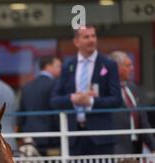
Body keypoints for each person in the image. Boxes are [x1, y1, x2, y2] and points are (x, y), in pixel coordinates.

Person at [50, 25, 122, 156]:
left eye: (93, 36)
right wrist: (73, 98)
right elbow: (54, 100)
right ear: (76, 42)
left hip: (101, 138)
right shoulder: (67, 66)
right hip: (73, 137)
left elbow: (117, 99)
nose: (91, 40)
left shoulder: (108, 64)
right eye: (86, 37)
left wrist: (91, 101)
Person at [109, 51, 155, 154]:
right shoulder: (106, 90)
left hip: (136, 149)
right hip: (116, 151)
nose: (132, 68)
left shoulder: (133, 88)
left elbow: (143, 120)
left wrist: (153, 146)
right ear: (117, 68)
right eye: (128, 65)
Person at [19, 55, 62, 156]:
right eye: (58, 66)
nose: (61, 69)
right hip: (51, 137)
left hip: (30, 137)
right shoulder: (56, 85)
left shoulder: (27, 86)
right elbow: (56, 111)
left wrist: (20, 135)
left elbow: (21, 113)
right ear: (48, 66)